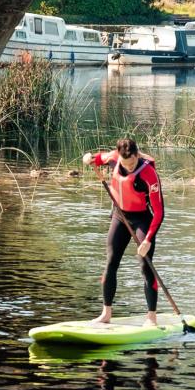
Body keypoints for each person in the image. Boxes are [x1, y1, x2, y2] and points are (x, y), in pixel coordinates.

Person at [81, 138, 165, 326]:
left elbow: (159, 212)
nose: (128, 167)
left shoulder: (149, 174)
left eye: (132, 163)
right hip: (120, 217)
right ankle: (106, 313)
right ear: (119, 156)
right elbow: (94, 158)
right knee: (111, 261)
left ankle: (151, 317)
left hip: (142, 220)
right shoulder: (113, 158)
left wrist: (148, 239)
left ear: (137, 155)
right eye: (125, 163)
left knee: (145, 265)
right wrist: (88, 158)